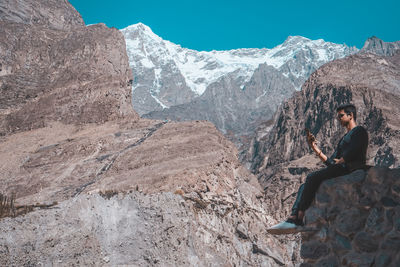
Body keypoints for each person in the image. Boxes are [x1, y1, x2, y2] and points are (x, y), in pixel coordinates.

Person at [267, 104, 369, 234]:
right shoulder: (344, 138)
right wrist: (315, 148)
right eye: (338, 116)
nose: (339, 119)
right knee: (304, 186)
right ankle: (293, 219)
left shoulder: (359, 131)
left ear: (351, 115)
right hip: (341, 168)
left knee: (312, 177)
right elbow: (332, 162)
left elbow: (357, 148)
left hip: (351, 168)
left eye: (341, 115)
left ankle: (299, 218)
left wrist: (344, 159)